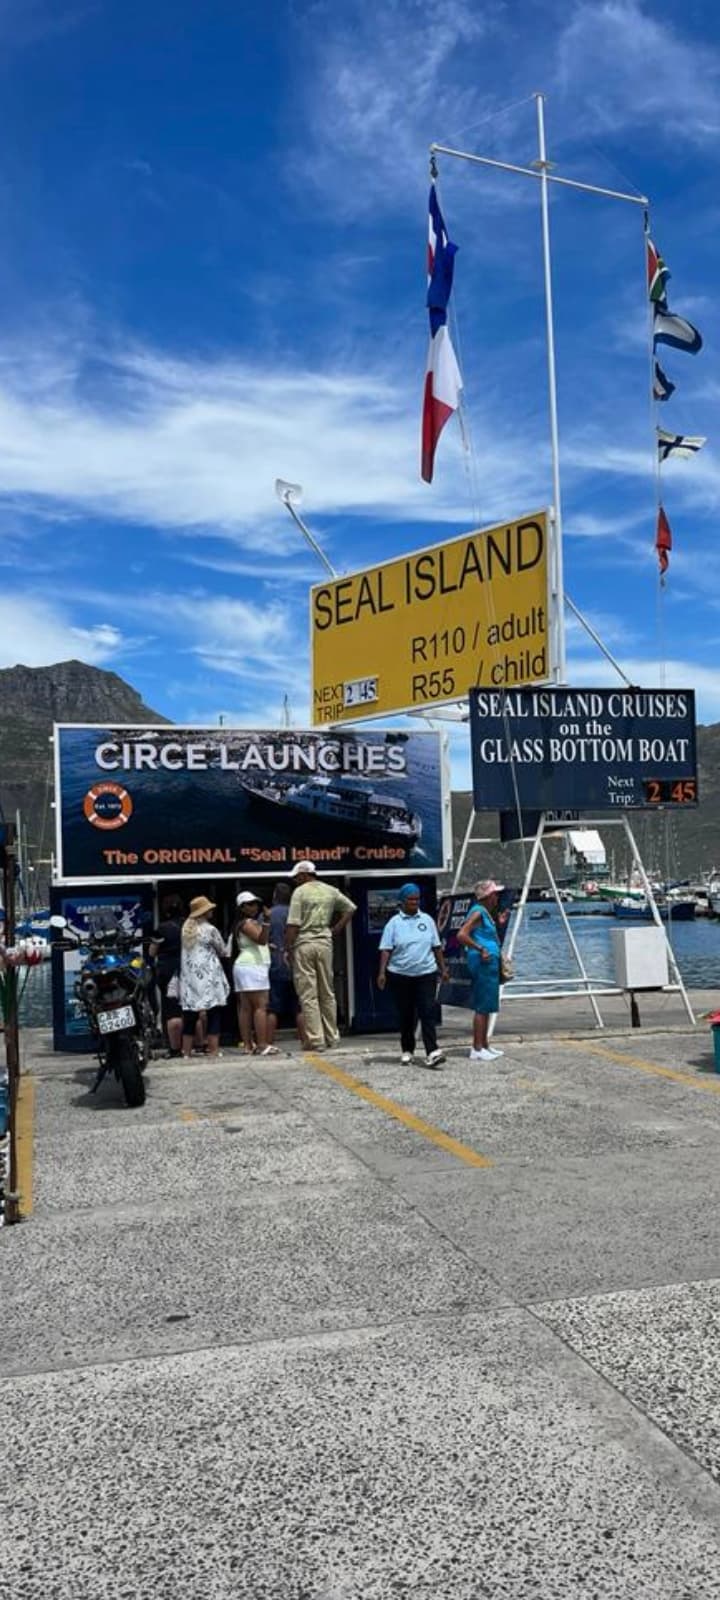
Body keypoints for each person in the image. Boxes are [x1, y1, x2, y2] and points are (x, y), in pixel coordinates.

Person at [285, 861, 356, 1051]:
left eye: (296, 877)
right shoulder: (330, 890)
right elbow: (350, 908)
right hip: (325, 943)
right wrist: (337, 929)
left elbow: (293, 924)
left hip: (304, 943)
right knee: (327, 991)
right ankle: (332, 1037)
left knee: (309, 994)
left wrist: (288, 948)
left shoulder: (299, 893)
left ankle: (316, 1040)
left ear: (303, 874)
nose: (295, 880)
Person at [377, 883, 448, 1068]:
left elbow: (436, 946)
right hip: (400, 974)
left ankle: (432, 1050)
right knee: (407, 1014)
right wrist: (382, 972)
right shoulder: (394, 923)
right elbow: (386, 949)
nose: (414, 903)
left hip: (426, 973)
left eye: (417, 899)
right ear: (402, 902)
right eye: (410, 899)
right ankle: (407, 1050)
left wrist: (443, 968)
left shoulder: (427, 920)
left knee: (427, 1012)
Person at [457, 879, 507, 1062]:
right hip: (483, 962)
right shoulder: (478, 912)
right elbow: (462, 934)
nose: (497, 897)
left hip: (489, 962)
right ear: (488, 896)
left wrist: (499, 923)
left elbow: (485, 933)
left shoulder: (485, 913)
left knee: (488, 1005)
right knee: (482, 1005)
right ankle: (477, 1048)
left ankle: (484, 1044)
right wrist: (480, 949)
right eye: (495, 894)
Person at [180, 896, 230, 1060]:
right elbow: (223, 950)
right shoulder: (210, 929)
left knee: (190, 1015)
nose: (212, 911)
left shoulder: (186, 929)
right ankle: (214, 1050)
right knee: (214, 1012)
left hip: (189, 977)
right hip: (209, 976)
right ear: (205, 912)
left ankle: (186, 1052)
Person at [232, 891, 275, 1056]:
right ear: (242, 907)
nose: (254, 906)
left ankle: (248, 1046)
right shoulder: (246, 923)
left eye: (255, 903)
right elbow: (261, 939)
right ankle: (262, 1045)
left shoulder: (244, 923)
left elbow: (258, 942)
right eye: (250, 904)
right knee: (260, 1006)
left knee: (245, 1007)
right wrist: (267, 921)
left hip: (247, 965)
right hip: (252, 966)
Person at [266, 883, 308, 1050]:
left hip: (275, 965)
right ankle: (305, 1041)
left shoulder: (269, 915)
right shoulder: (297, 914)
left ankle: (269, 1043)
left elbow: (261, 937)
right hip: (297, 963)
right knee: (300, 1006)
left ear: (275, 896)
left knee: (272, 1009)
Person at [149, 893, 184, 1057]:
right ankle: (196, 1044)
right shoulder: (189, 926)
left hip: (168, 970)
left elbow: (152, 951)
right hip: (188, 969)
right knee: (192, 1009)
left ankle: (175, 1048)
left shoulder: (162, 929)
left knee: (172, 1010)